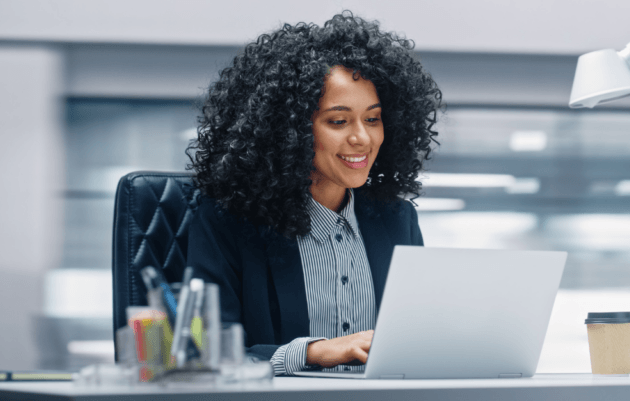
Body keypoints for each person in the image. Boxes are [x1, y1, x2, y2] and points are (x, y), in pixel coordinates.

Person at [185, 11, 442, 376]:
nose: (362, 138)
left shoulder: (397, 220)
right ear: (287, 129)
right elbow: (203, 352)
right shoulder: (227, 221)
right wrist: (313, 352)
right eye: (338, 121)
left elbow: (418, 339)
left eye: (372, 119)